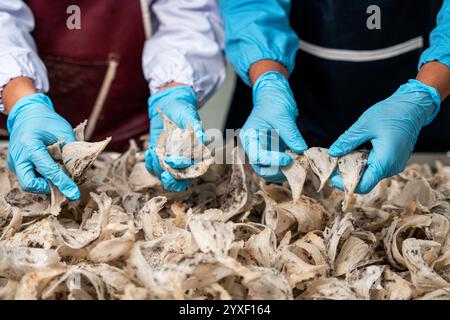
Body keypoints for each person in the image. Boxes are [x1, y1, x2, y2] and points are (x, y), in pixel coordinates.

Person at [0, 0, 225, 199]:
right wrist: (21, 103)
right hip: (14, 130)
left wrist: (174, 89)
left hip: (130, 141)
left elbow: (186, 14)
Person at [220, 0, 450, 192]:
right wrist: (268, 80)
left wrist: (423, 97)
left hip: (427, 88)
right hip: (289, 95)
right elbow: (251, 4)